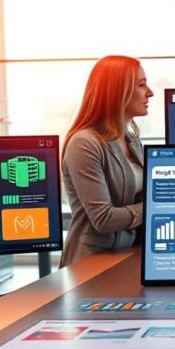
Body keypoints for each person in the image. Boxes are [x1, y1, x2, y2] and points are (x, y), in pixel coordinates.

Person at [59, 55, 152, 267]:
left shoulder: (131, 139)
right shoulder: (84, 143)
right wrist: (156, 208)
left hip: (126, 254)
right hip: (90, 263)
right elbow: (103, 219)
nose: (150, 92)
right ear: (119, 92)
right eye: (141, 85)